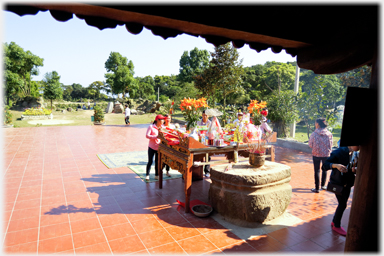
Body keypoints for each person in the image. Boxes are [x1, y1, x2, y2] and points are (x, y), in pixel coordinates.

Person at [322, 145, 359, 236]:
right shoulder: (340, 151)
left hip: (348, 183)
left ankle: (334, 221)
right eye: (358, 145)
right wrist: (336, 166)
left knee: (343, 204)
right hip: (338, 183)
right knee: (343, 204)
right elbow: (324, 166)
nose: (359, 147)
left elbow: (351, 167)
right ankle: (336, 225)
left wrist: (353, 170)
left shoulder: (355, 153)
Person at [308, 118, 333, 193]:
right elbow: (330, 145)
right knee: (324, 169)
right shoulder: (329, 134)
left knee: (317, 171)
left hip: (316, 154)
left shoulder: (314, 134)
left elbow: (310, 145)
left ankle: (317, 188)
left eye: (315, 123)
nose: (315, 124)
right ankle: (323, 185)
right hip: (326, 155)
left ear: (318, 124)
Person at [145, 114, 169, 181]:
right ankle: (147, 175)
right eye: (162, 119)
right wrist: (155, 137)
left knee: (157, 162)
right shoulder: (151, 127)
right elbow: (147, 135)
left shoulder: (162, 127)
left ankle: (156, 175)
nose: (163, 120)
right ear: (158, 120)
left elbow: (166, 134)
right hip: (151, 147)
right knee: (150, 161)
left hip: (159, 148)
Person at [197, 110, 211, 177]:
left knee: (208, 156)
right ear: (201, 115)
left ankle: (207, 171)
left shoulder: (210, 123)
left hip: (207, 142)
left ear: (208, 116)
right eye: (203, 115)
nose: (204, 116)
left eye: (206, 115)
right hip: (199, 141)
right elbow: (196, 130)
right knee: (199, 156)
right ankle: (198, 171)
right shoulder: (198, 122)